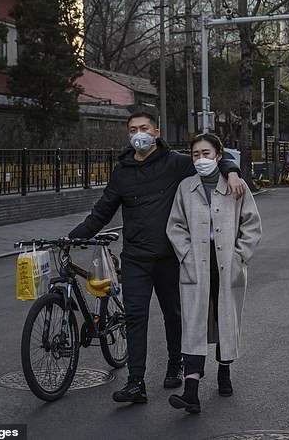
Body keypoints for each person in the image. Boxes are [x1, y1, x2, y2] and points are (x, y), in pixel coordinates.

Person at [69, 112, 245, 404]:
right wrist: (73, 237)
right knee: (134, 316)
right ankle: (136, 382)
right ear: (128, 135)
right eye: (133, 130)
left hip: (170, 257)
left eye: (144, 128)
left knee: (174, 314)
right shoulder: (122, 170)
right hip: (136, 257)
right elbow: (102, 211)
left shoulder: (175, 163)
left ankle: (175, 363)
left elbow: (210, 161)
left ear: (156, 131)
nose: (139, 133)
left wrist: (233, 171)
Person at [166, 133, 262, 414]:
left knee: (224, 319)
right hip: (196, 262)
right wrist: (185, 255)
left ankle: (224, 370)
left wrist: (239, 256)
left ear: (219, 155)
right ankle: (191, 391)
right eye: (196, 155)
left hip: (225, 262)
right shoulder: (186, 188)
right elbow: (175, 226)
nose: (201, 160)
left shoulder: (236, 185)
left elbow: (252, 226)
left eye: (206, 154)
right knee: (194, 321)